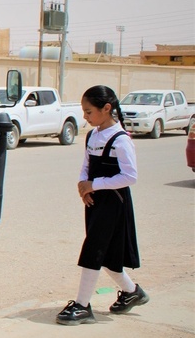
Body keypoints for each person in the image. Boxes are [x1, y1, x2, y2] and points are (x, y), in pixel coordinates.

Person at [57, 85, 147, 325]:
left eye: (89, 112)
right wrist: (83, 185)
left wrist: (94, 185)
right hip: (94, 200)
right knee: (106, 253)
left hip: (114, 203)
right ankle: (132, 292)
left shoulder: (121, 140)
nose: (85, 117)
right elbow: (86, 165)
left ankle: (82, 305)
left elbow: (130, 177)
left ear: (106, 109)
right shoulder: (93, 135)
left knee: (93, 249)